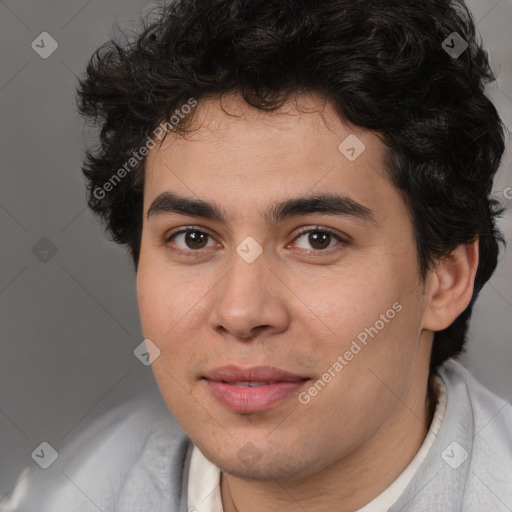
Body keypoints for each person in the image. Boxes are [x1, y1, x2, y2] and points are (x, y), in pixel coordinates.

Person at [8, 0, 512, 511]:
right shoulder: (64, 491)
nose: (242, 312)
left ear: (446, 277)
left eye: (318, 239)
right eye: (193, 238)